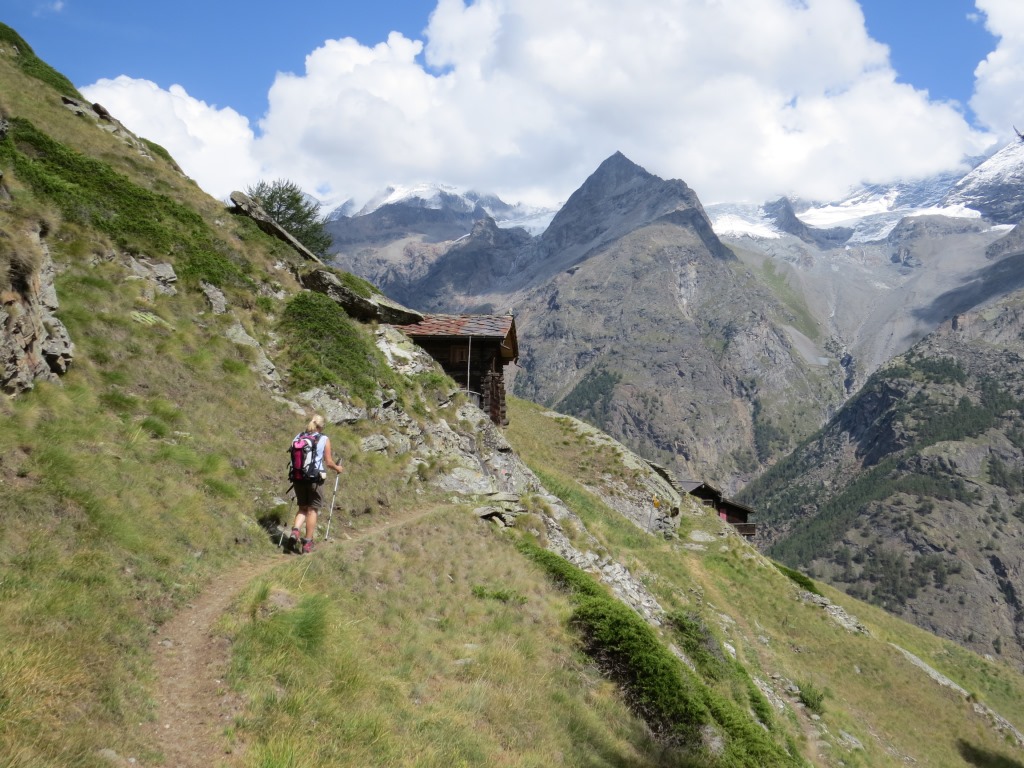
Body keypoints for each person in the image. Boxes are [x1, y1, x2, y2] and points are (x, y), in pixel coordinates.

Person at [289, 414, 343, 554]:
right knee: (312, 510)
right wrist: (338, 468)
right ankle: (307, 542)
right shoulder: (324, 439)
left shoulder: (298, 437)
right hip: (314, 479)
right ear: (321, 426)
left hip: (297, 477)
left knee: (302, 508)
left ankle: (295, 531)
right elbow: (329, 462)